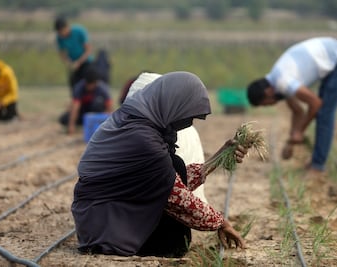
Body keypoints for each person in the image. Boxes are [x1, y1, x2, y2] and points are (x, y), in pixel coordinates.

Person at [72, 71, 246, 257]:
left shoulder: (134, 121)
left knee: (174, 164)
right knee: (174, 171)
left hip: (101, 220)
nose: (188, 123)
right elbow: (177, 196)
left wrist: (220, 157)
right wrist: (221, 222)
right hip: (107, 231)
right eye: (188, 116)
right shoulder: (144, 140)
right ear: (173, 106)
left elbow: (171, 180)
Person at [247, 37, 337, 172]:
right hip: (336, 56)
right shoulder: (277, 81)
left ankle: (317, 166)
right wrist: (291, 141)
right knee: (323, 111)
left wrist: (299, 131)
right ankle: (316, 163)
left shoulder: (283, 81)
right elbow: (297, 111)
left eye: (265, 104)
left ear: (267, 91)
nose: (269, 105)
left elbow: (315, 103)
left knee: (324, 113)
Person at [126, 71, 208, 203]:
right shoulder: (146, 142)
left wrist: (218, 158)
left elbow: (179, 183)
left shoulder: (119, 127)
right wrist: (218, 222)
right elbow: (174, 195)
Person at [59, 66, 113, 135]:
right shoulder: (79, 87)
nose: (90, 87)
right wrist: (71, 125)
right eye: (88, 84)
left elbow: (109, 107)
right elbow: (75, 107)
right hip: (83, 111)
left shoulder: (102, 88)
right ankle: (85, 124)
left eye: (92, 84)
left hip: (96, 112)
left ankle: (95, 124)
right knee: (64, 119)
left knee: (98, 103)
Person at [54, 16, 93, 93]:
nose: (62, 34)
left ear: (67, 27)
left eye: (62, 31)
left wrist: (78, 62)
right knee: (74, 84)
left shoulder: (79, 31)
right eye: (59, 32)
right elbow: (62, 54)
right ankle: (76, 102)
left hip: (86, 62)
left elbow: (88, 50)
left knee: (87, 83)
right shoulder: (59, 37)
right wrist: (69, 63)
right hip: (73, 64)